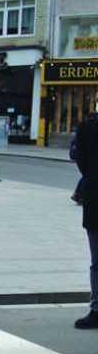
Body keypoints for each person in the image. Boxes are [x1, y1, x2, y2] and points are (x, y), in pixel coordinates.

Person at [74, 112, 98, 329]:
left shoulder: (87, 127)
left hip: (95, 198)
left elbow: (79, 159)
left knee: (97, 261)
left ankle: (97, 309)